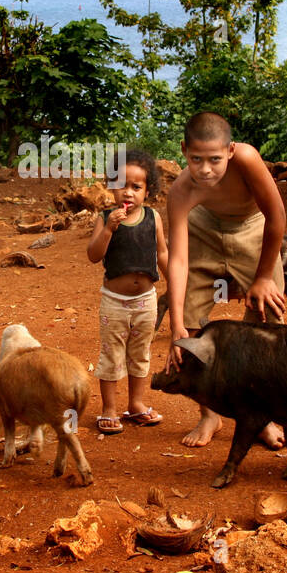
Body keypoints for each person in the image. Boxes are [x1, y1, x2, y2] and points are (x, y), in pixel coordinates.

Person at [165, 112, 287, 447]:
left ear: (231, 150)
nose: (206, 169)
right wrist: (177, 323)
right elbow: (178, 259)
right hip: (203, 229)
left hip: (252, 226)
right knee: (188, 332)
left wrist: (263, 277)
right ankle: (209, 415)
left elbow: (276, 216)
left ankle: (259, 415)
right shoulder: (180, 192)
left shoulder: (247, 159)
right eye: (196, 159)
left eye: (215, 159)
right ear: (183, 151)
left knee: (270, 317)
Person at [86, 149, 169, 434]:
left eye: (137, 187)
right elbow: (93, 256)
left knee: (140, 354)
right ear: (111, 187)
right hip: (115, 302)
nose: (128, 193)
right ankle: (109, 409)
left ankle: (136, 404)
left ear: (148, 191)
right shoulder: (105, 217)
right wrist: (109, 229)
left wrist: (175, 285)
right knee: (111, 354)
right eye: (122, 185)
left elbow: (162, 253)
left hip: (146, 301)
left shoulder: (153, 218)